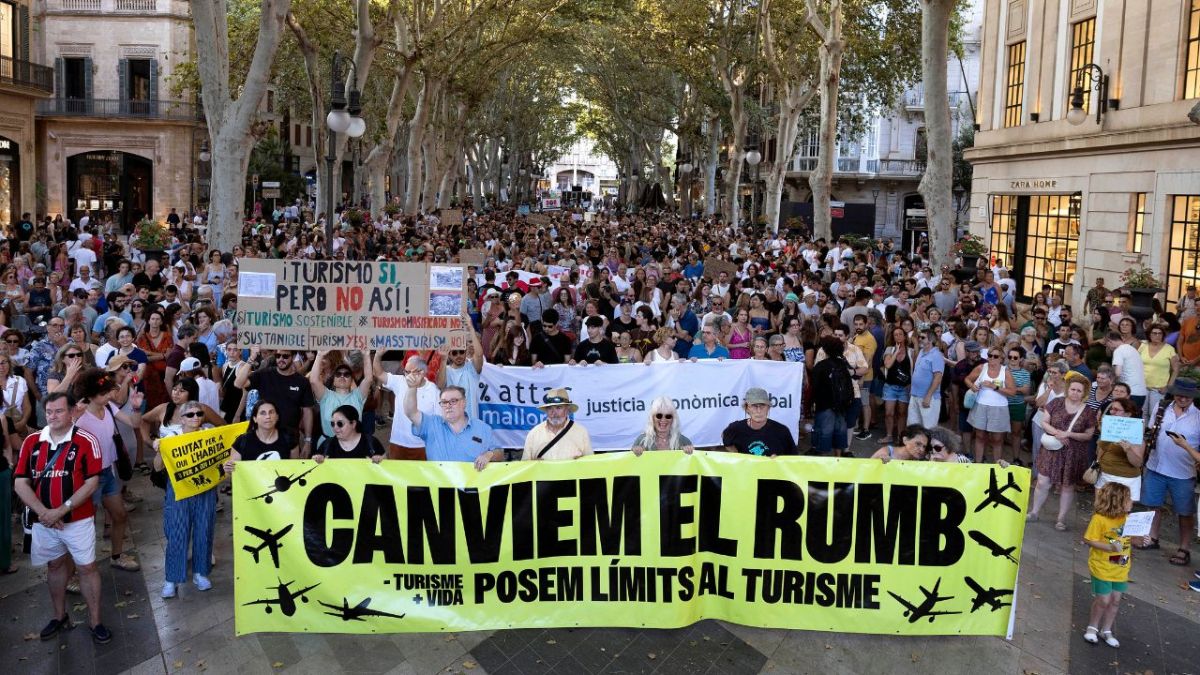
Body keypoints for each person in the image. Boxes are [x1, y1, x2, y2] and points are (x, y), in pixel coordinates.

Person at [13, 392, 112, 643]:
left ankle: (95, 621)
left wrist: (61, 510)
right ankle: (59, 616)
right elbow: (21, 483)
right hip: (44, 520)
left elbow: (92, 482)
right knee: (55, 565)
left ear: (71, 413)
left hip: (77, 519)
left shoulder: (86, 440)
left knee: (87, 567)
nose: (53, 416)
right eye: (48, 412)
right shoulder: (32, 441)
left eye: (58, 411)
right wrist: (44, 512)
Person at [73, 368, 143, 572]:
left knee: (120, 515)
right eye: (105, 393)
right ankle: (80, 569)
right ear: (90, 395)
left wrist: (136, 408)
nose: (111, 395)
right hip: (88, 477)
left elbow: (133, 423)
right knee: (86, 524)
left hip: (108, 471)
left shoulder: (110, 407)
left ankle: (117, 555)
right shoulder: (79, 415)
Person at [151, 400, 217, 598]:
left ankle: (200, 573)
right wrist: (160, 450)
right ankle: (171, 579)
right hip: (179, 490)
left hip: (205, 488)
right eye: (190, 415)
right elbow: (157, 467)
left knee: (204, 531)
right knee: (177, 532)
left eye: (199, 414)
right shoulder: (171, 437)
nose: (195, 417)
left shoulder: (209, 435)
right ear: (181, 419)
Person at [1137, 378, 1200, 565]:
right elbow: (1150, 431)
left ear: (1193, 397)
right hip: (1156, 465)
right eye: (1180, 394)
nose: (1183, 398)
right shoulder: (1162, 406)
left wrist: (1185, 446)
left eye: (1187, 395)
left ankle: (1184, 548)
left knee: (1185, 511)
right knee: (1153, 504)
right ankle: (1153, 538)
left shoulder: (1198, 417)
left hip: (1183, 472)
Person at [1029, 374, 1098, 531]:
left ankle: (1061, 519)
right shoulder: (1056, 403)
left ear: (1084, 393)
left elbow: (1088, 434)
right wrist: (1058, 433)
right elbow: (1044, 422)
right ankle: (1034, 511)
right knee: (1042, 481)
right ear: (1068, 389)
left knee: (1067, 486)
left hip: (1072, 453)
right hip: (1051, 450)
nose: (1075, 393)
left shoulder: (1088, 412)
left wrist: (1069, 435)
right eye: (1073, 389)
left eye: (1079, 391)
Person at [235, 347, 315, 456]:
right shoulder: (264, 374)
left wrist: (308, 441)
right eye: (278, 356)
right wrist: (251, 358)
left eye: (285, 356)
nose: (281, 359)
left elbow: (307, 412)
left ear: (293, 357)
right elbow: (238, 383)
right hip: (263, 437)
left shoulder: (302, 382)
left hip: (290, 440)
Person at [1081, 482, 1132, 648]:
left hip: (1121, 565)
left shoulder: (1128, 519)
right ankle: (1092, 627)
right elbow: (1089, 539)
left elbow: (1132, 539)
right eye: (1128, 498)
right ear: (1117, 501)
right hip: (1102, 565)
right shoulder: (1099, 519)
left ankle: (1106, 630)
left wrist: (1142, 540)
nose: (1132, 501)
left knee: (1115, 600)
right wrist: (1109, 547)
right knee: (1103, 599)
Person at [376, 354, 439, 460]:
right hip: (398, 442)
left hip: (422, 446)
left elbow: (438, 421)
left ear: (422, 372)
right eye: (406, 372)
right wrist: (378, 355)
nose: (408, 376)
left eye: (412, 372)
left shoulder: (434, 391)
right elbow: (379, 373)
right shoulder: (400, 381)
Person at [308, 349, 373, 447]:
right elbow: (313, 380)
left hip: (354, 445)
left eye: (347, 374)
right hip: (328, 444)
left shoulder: (358, 395)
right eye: (338, 374)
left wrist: (367, 355)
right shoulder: (326, 395)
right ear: (333, 380)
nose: (342, 376)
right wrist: (319, 355)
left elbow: (368, 379)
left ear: (351, 380)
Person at [966, 347, 1017, 463]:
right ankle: (978, 463)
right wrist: (972, 386)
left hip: (999, 408)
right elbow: (967, 379)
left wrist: (995, 387)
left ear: (1001, 359)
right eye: (990, 355)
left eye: (995, 356)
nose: (992, 358)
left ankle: (996, 465)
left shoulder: (1005, 372)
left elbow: (1013, 392)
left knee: (997, 439)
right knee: (979, 436)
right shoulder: (981, 367)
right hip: (980, 405)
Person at [1094, 397, 1145, 501]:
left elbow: (1137, 463)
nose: (1112, 412)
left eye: (1116, 410)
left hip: (1126, 480)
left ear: (1128, 413)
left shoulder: (1135, 433)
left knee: (1121, 515)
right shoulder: (1109, 427)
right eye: (1111, 409)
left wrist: (1128, 450)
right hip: (1105, 475)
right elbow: (1099, 451)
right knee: (1099, 510)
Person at [721, 387, 797, 457]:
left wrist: (779, 460)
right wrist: (737, 456)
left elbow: (793, 459)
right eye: (754, 406)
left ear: (768, 408)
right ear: (747, 408)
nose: (759, 410)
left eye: (762, 405)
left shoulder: (782, 431)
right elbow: (725, 438)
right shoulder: (736, 428)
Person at [521, 388, 593, 460]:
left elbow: (590, 463)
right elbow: (524, 466)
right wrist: (534, 464)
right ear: (546, 410)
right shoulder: (534, 434)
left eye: (558, 408)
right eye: (550, 408)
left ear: (567, 410)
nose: (554, 413)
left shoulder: (581, 432)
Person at [225, 400, 298, 467]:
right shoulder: (242, 441)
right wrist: (229, 469)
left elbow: (295, 468)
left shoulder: (289, 438)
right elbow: (234, 473)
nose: (268, 416)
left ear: (277, 417)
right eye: (263, 413)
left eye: (271, 412)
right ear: (255, 418)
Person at [313, 405, 386, 463]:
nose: (335, 427)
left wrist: (381, 460)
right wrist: (317, 460)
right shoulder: (327, 445)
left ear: (353, 424)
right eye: (332, 424)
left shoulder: (371, 443)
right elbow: (314, 468)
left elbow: (386, 468)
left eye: (340, 423)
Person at [908, 327, 944, 429]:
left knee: (928, 430)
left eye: (923, 337)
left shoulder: (936, 355)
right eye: (919, 337)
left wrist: (928, 396)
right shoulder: (921, 352)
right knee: (913, 428)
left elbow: (938, 377)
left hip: (929, 398)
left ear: (931, 340)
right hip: (915, 396)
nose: (919, 339)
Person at [1106, 331, 1148, 408]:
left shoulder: (1118, 351)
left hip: (1129, 392)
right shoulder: (1131, 349)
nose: (1107, 347)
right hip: (1141, 392)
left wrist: (1112, 383)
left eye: (1107, 345)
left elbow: (1118, 372)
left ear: (1110, 341)